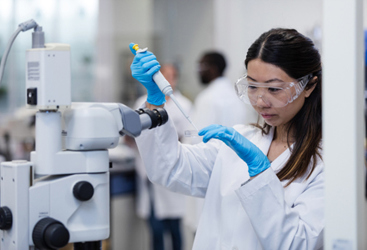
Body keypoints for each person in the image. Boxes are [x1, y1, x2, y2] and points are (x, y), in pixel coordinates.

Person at [128, 28, 323, 249]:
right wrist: (155, 101)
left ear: (309, 86)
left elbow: (299, 244)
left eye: (274, 89)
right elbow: (171, 168)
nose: (260, 101)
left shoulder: (325, 164)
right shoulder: (239, 141)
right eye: (252, 86)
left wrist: (260, 174)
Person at [185, 51, 258, 234]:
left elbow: (195, 142)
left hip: (209, 176)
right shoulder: (236, 97)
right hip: (234, 179)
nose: (198, 71)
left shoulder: (208, 98)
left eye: (201, 66)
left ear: (213, 68)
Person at [133, 64, 193, 250]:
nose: (166, 80)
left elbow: (189, 136)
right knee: (156, 229)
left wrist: (167, 143)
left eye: (170, 76)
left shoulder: (184, 105)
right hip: (150, 174)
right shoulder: (143, 102)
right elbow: (133, 132)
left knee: (175, 227)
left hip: (176, 168)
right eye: (162, 76)